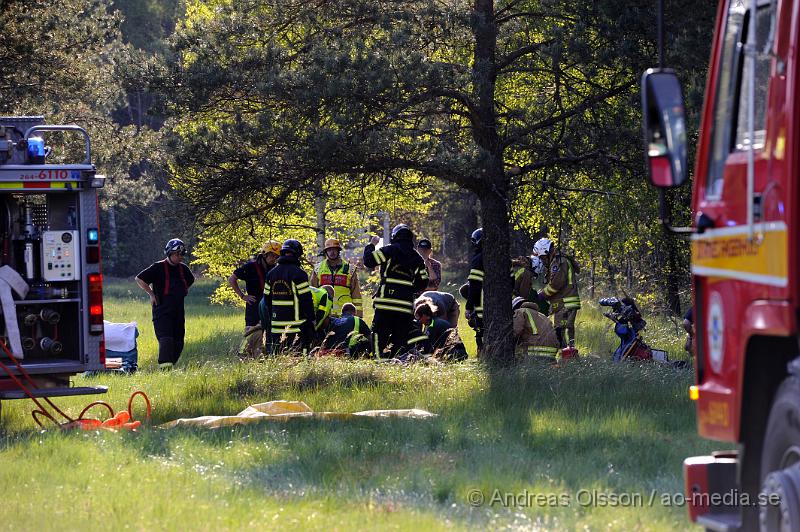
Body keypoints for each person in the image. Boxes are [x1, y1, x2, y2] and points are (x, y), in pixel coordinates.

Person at [363, 224, 428, 358]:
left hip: (385, 303)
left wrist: (371, 245)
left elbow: (369, 261)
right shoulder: (417, 258)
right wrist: (408, 289)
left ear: (395, 237)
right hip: (404, 306)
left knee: (378, 336)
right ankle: (397, 361)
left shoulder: (389, 251)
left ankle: (376, 360)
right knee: (401, 339)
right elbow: (423, 281)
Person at [135, 238, 195, 370]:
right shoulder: (158, 267)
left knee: (178, 343)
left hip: (178, 312)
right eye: (177, 254)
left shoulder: (183, 269)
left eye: (181, 254)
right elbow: (139, 279)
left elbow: (190, 280)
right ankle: (165, 371)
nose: (180, 257)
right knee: (167, 341)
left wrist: (181, 291)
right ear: (169, 253)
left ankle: (170, 367)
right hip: (162, 311)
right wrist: (151, 294)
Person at [228, 241, 280, 357]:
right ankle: (245, 358)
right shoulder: (250, 267)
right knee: (252, 336)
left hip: (270, 307)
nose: (274, 259)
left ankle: (265, 359)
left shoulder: (276, 269)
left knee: (269, 337)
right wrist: (242, 296)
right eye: (272, 255)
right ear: (264, 254)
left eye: (277, 256)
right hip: (253, 307)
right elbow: (232, 279)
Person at [263, 239, 315, 356]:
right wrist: (312, 318)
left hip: (276, 326)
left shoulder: (271, 274)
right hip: (296, 326)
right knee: (300, 354)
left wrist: (273, 317)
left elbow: (266, 300)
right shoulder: (299, 274)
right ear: (297, 254)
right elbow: (306, 300)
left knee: (278, 355)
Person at [534, 237, 582, 348]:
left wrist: (542, 295)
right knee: (563, 331)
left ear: (545, 252)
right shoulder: (558, 261)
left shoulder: (559, 262)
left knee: (560, 331)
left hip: (566, 302)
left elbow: (556, 284)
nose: (542, 261)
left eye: (542, 258)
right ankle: (568, 355)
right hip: (564, 302)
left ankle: (568, 356)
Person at [310, 238, 362, 317]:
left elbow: (356, 295)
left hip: (345, 315)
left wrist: (358, 316)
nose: (332, 252)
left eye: (334, 249)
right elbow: (313, 293)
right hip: (324, 315)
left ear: (338, 251)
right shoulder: (318, 269)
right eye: (329, 250)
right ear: (326, 252)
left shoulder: (350, 269)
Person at [465, 228, 484, 351]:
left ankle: (482, 356)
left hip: (482, 305)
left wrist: (468, 307)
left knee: (481, 332)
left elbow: (474, 286)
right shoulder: (503, 257)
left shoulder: (478, 259)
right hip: (502, 306)